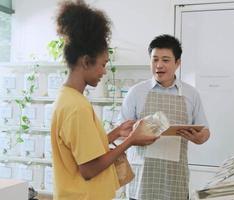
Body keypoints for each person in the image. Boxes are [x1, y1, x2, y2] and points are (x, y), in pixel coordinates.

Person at [51, 1, 158, 200]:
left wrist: (117, 133)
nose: (104, 72)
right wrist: (131, 140)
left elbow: (83, 150)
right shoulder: (77, 107)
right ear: (85, 61)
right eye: (102, 64)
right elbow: (89, 169)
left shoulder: (67, 98)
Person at [118, 34, 211, 200]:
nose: (159, 65)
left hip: (175, 177)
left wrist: (199, 137)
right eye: (155, 59)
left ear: (177, 63)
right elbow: (121, 130)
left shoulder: (191, 94)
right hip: (142, 178)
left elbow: (204, 131)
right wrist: (137, 133)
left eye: (166, 60)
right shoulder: (136, 92)